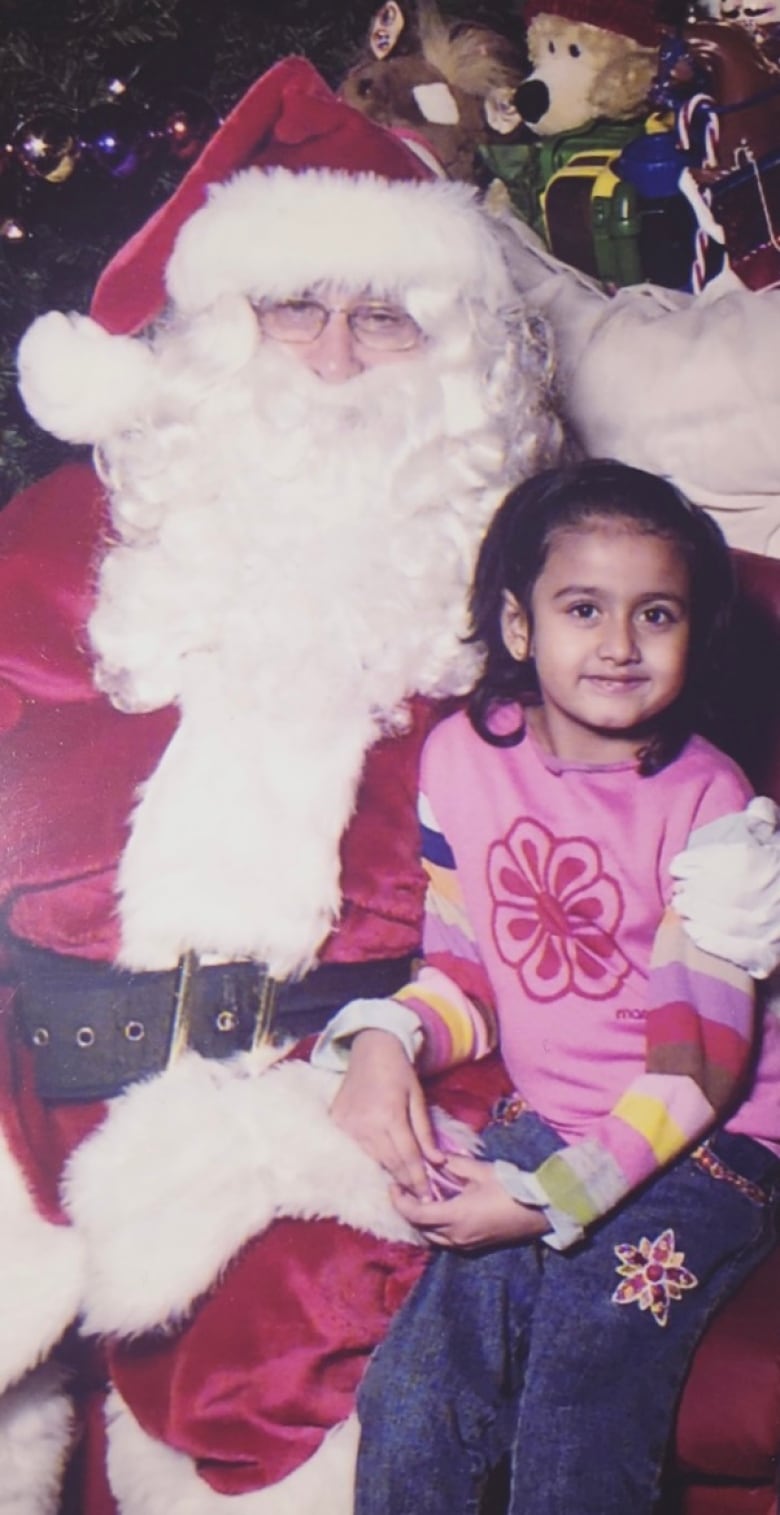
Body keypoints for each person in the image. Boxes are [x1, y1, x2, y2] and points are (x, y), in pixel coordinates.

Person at [1, 54, 778, 1515]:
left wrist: (396, 1064)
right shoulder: (62, 542)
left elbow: (553, 966)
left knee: (284, 1378)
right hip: (37, 1064)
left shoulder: (533, 606)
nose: (340, 357)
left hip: (344, 1095)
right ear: (216, 327)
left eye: (385, 315)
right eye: (295, 306)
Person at [344, 459, 780, 1515]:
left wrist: (545, 1203)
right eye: (584, 607)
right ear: (521, 623)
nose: (620, 644)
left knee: (581, 1394)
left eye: (656, 613)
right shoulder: (460, 762)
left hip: (708, 1148)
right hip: (549, 1120)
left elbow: (697, 1074)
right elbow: (466, 969)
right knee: (413, 1391)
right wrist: (384, 1042)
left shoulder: (714, 809)